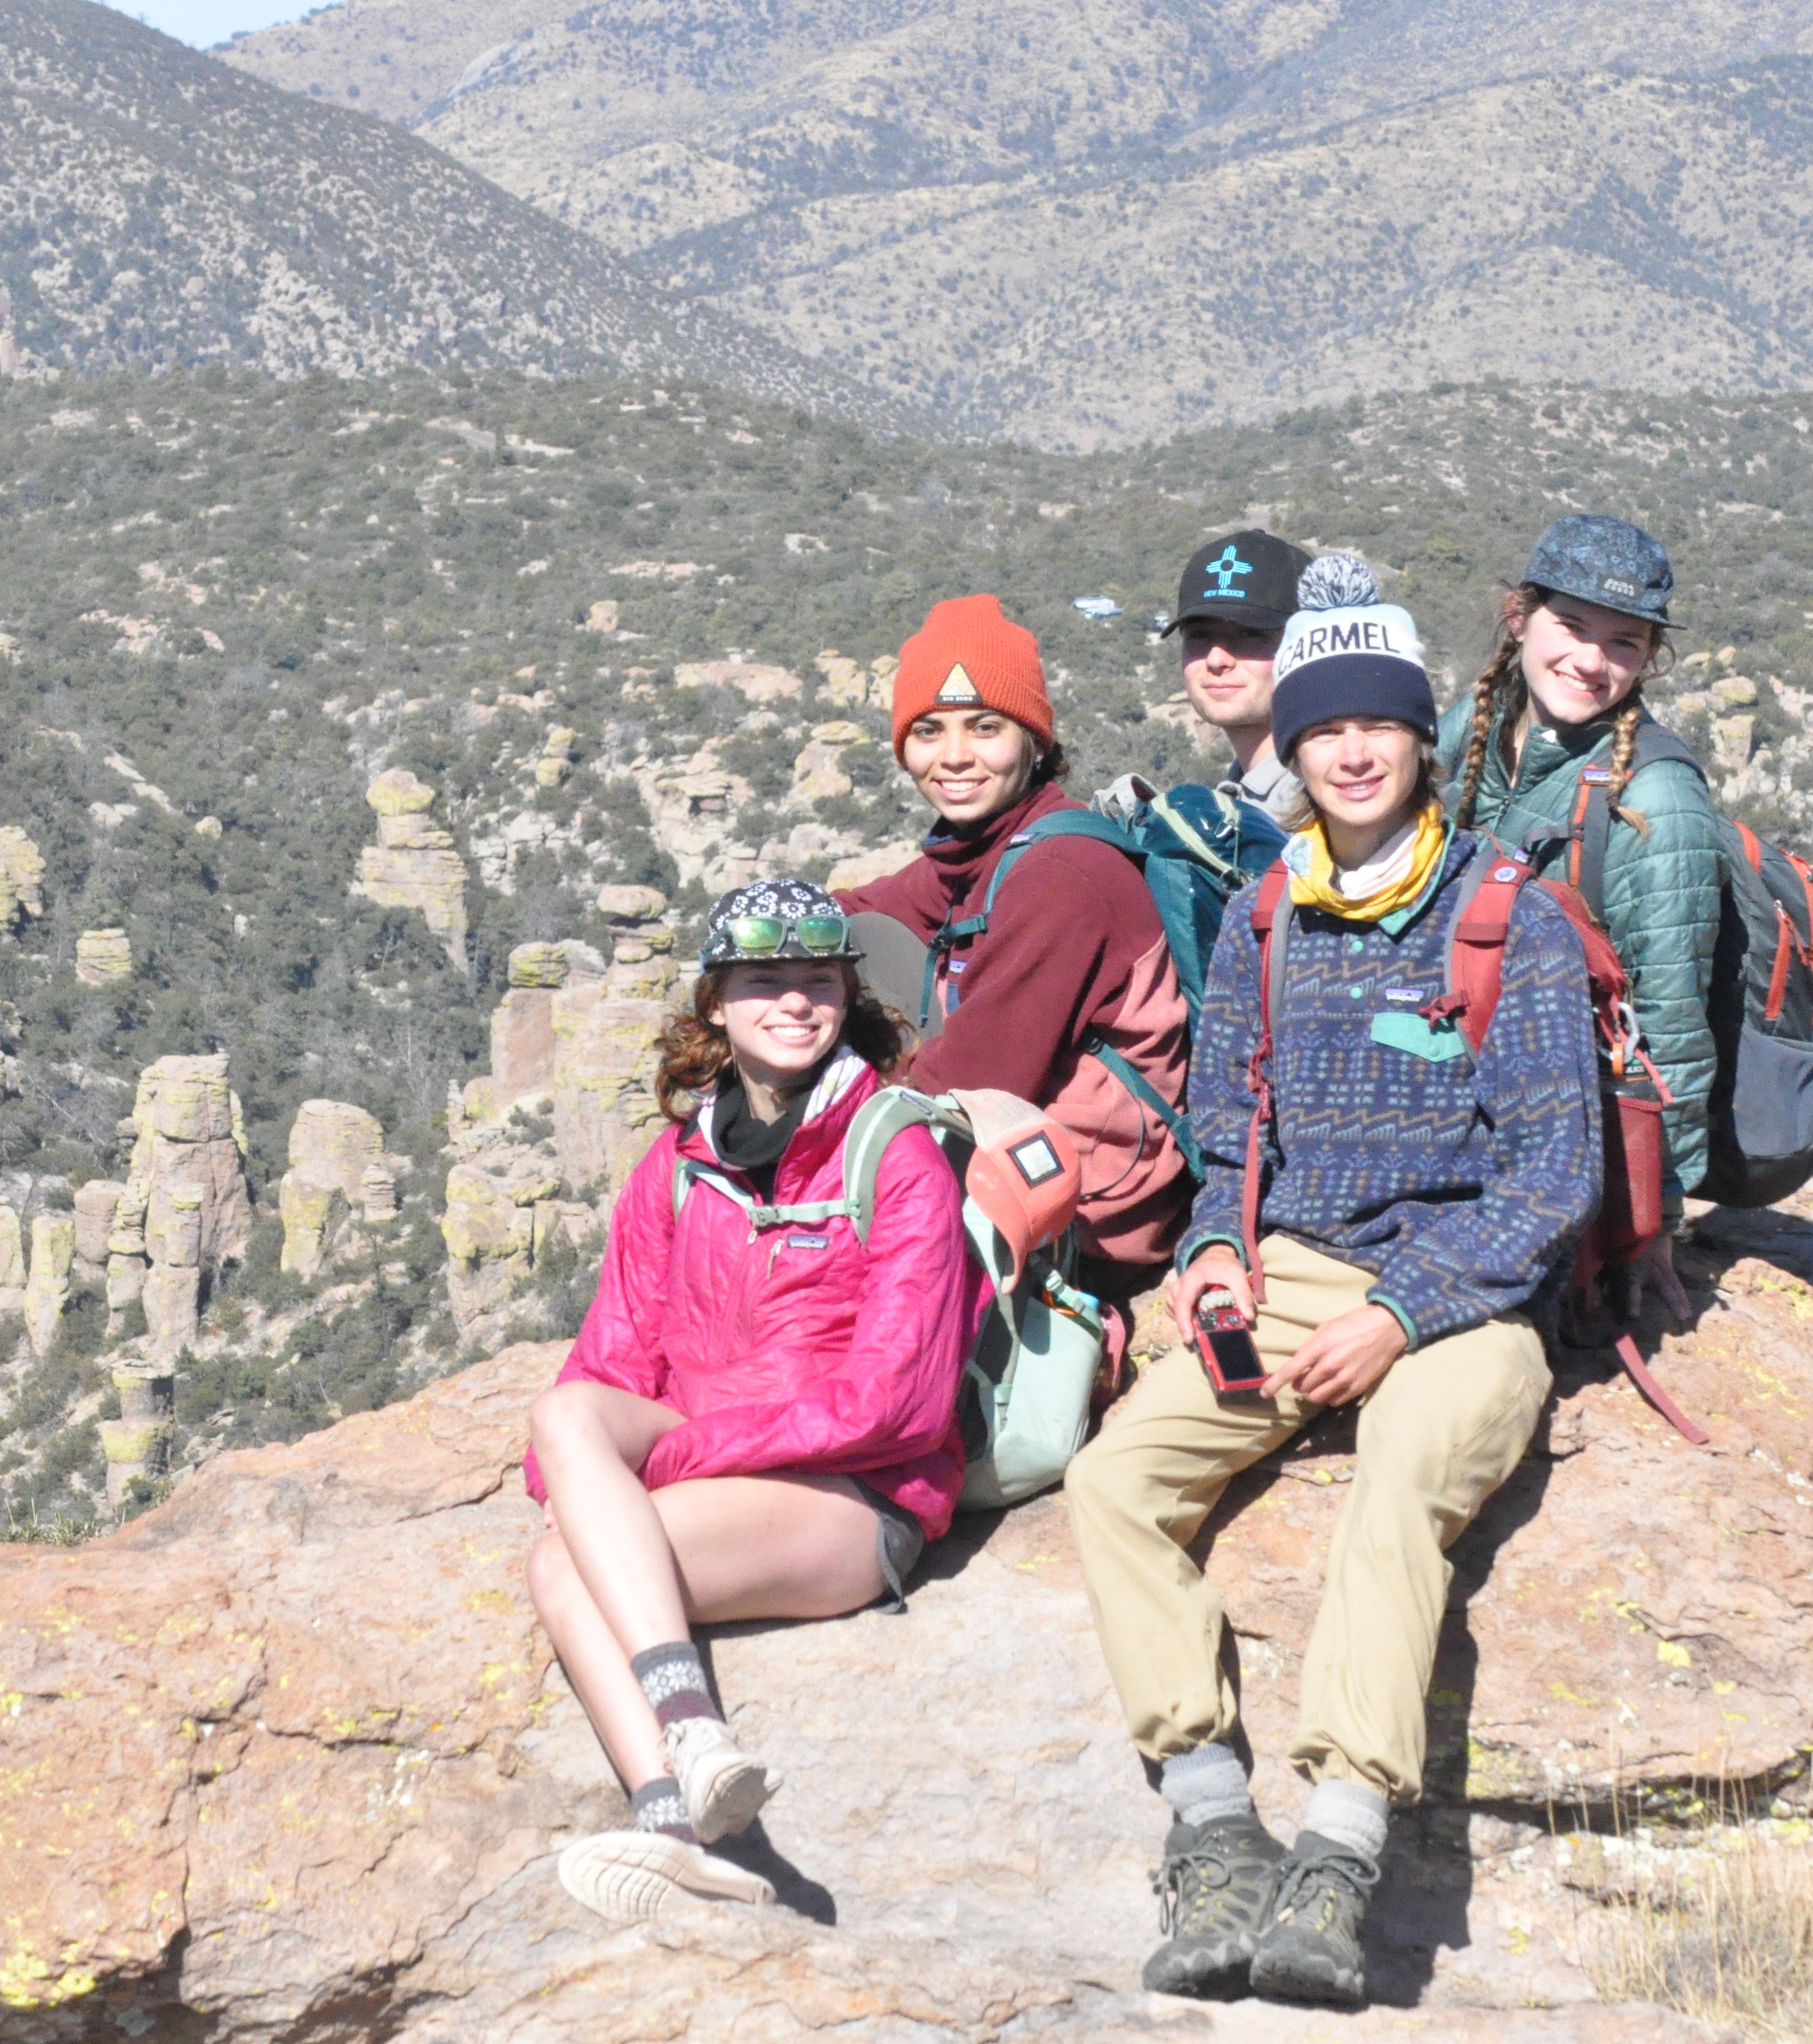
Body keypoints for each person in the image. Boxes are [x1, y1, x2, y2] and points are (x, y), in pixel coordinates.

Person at [1062, 555, 1603, 2008]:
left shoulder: (1504, 918)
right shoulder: (1263, 914)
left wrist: (1400, 1314)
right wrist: (1215, 1257)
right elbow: (1231, 1130)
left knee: (1401, 1481)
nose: (1352, 749)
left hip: (1471, 1293)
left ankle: (1341, 1848)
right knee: (1114, 1481)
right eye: (1323, 727)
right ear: (1290, 748)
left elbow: (1554, 1176)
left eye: (1378, 721)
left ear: (1420, 736)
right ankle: (1213, 1820)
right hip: (1295, 1261)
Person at [525, 880, 985, 1923]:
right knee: (563, 1434)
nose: (793, 1004)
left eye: (817, 983)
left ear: (847, 1001)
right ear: (717, 1006)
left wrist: (676, 1463)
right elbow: (611, 1354)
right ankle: (685, 1789)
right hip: (718, 1454)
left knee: (568, 1565)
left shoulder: (895, 1156)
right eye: (764, 982)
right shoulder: (680, 1164)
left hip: (851, 1491)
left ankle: (672, 1792)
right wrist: (568, 1480)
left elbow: (897, 1402)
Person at [839, 594, 1191, 1298]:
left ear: (1033, 740)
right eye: (929, 731)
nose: (956, 757)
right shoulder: (981, 848)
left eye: (986, 727)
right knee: (832, 952)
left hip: (1097, 1219)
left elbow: (969, 1081)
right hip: (1043, 1174)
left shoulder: (1060, 873)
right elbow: (860, 912)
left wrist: (823, 1129)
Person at [1439, 514, 1733, 1325]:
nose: (1590, 661)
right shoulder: (1480, 724)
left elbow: (1671, 1016)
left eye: (1624, 643)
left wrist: (1654, 1223)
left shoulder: (1655, 802)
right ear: (1518, 616)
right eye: (1570, 625)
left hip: (1573, 1142)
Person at [1099, 530, 1309, 873]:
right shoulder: (1244, 794)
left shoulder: (1326, 802)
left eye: (1250, 635)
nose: (1216, 659)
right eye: (1199, 637)